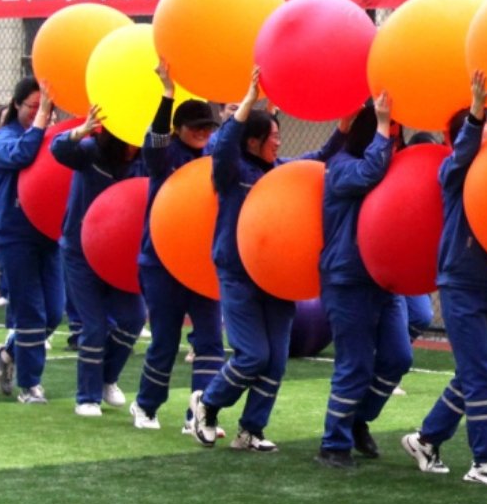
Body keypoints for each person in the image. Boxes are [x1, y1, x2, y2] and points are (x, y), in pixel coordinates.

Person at [188, 68, 346, 453]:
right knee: (253, 355)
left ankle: (251, 429)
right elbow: (224, 145)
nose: (279, 141)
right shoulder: (232, 172)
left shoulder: (279, 171)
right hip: (238, 273)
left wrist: (343, 127)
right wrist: (248, 102)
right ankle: (207, 405)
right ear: (253, 141)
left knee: (275, 360)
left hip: (277, 277)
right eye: (273, 136)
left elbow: (319, 158)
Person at [401, 73, 487, 486]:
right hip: (462, 283)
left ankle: (426, 439)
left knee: (476, 372)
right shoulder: (454, 169)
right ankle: (483, 461)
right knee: (482, 375)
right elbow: (464, 148)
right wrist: (475, 114)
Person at [313, 91, 410, 470]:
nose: (394, 145)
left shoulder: (388, 168)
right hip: (347, 279)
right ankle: (333, 444)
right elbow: (368, 173)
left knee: (397, 357)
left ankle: (356, 420)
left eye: (396, 138)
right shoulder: (341, 166)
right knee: (354, 365)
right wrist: (383, 123)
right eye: (388, 136)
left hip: (383, 279)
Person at [128, 65, 225, 434]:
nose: (202, 132)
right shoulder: (165, 156)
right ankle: (146, 405)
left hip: (204, 265)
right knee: (165, 341)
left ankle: (199, 414)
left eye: (207, 127)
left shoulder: (215, 155)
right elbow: (154, 139)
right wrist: (167, 94)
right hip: (161, 262)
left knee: (210, 341)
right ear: (179, 128)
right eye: (195, 127)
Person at [51, 105, 147, 417]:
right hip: (81, 251)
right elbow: (59, 150)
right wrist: (79, 131)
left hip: (121, 255)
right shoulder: (91, 151)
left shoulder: (145, 160)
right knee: (93, 326)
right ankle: (87, 397)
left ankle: (107, 378)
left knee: (134, 318)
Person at [0, 78, 63, 405]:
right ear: (16, 105)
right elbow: (20, 155)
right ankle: (30, 385)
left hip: (48, 233)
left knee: (54, 312)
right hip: (14, 235)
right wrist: (42, 120)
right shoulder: (4, 138)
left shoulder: (53, 137)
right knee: (30, 312)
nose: (40, 112)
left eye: (47, 106)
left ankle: (6, 353)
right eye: (34, 106)